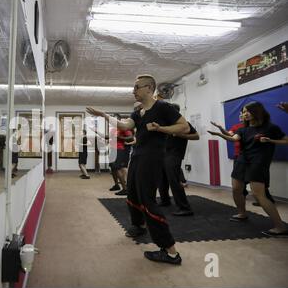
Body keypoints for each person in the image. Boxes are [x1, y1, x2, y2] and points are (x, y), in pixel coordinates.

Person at [87, 74, 189, 265]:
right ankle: (139, 225)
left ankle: (171, 252)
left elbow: (184, 128)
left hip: (153, 158)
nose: (133, 91)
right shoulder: (139, 111)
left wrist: (160, 129)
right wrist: (103, 115)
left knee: (147, 199)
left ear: (150, 88)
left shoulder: (163, 107)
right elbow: (126, 125)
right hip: (138, 157)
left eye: (137, 87)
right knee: (132, 194)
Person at [208, 101, 288, 237]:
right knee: (236, 189)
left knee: (258, 194)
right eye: (243, 112)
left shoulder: (271, 128)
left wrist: (270, 141)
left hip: (258, 162)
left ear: (257, 111)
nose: (244, 114)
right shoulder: (242, 129)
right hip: (242, 160)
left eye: (247, 111)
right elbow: (233, 138)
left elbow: (285, 140)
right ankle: (242, 213)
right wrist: (220, 134)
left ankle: (280, 227)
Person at [210, 109, 275, 206]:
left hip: (255, 158)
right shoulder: (237, 127)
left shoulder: (256, 126)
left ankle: (265, 199)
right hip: (240, 157)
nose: (242, 116)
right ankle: (242, 198)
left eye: (244, 114)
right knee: (240, 181)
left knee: (259, 180)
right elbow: (230, 135)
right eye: (241, 114)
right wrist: (220, 129)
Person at [158, 103, 199, 216]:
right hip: (163, 154)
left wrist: (181, 135)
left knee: (174, 180)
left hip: (174, 154)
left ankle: (185, 207)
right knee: (162, 180)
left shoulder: (184, 124)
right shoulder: (165, 124)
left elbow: (196, 136)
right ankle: (165, 200)